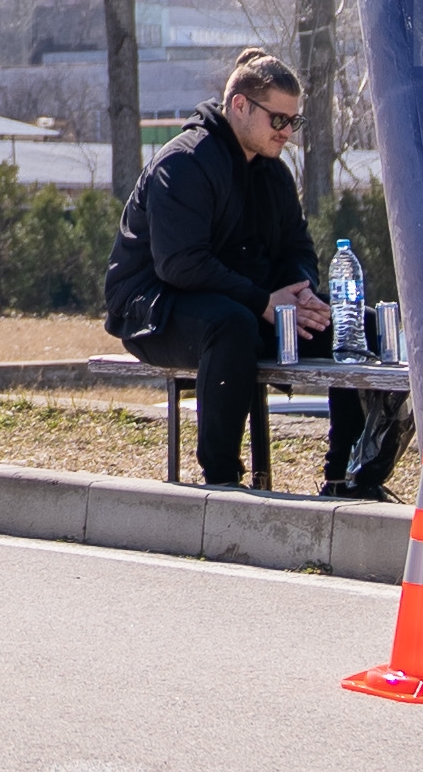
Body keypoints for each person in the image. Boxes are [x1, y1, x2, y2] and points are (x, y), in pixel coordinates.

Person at [104, 51, 334, 491]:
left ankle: (351, 475)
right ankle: (222, 479)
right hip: (155, 309)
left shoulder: (275, 175)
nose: (287, 133)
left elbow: (297, 247)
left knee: (351, 331)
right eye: (278, 120)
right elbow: (180, 265)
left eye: (294, 122)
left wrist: (302, 293)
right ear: (241, 105)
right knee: (231, 327)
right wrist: (264, 302)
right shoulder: (184, 163)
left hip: (251, 304)